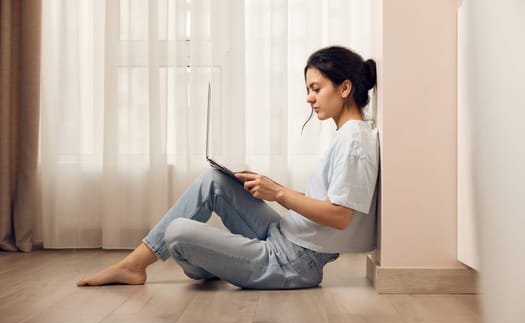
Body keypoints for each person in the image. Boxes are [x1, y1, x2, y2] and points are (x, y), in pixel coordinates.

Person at [77, 46, 379, 290]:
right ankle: (135, 265)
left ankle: (212, 263)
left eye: (316, 88)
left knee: (178, 232)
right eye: (308, 89)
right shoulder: (349, 136)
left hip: (293, 261)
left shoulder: (354, 142)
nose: (309, 97)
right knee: (215, 182)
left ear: (345, 88)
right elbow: (325, 199)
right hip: (285, 236)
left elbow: (340, 216)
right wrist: (270, 185)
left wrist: (278, 193)